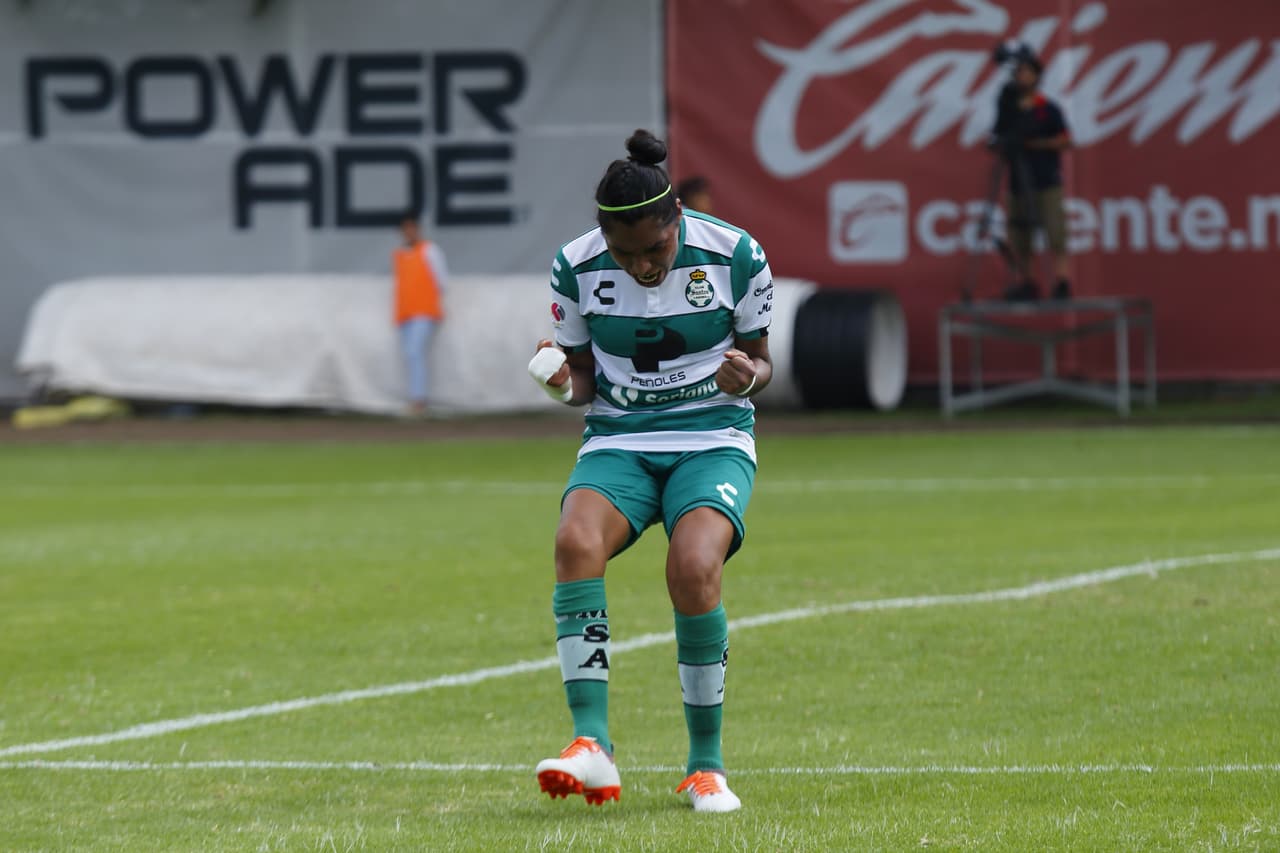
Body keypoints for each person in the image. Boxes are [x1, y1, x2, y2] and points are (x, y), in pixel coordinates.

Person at [526, 129, 774, 813]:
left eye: (656, 250)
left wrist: (747, 375)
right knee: (574, 541)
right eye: (624, 253)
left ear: (678, 221)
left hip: (712, 435)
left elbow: (761, 359)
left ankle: (706, 766)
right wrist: (560, 384)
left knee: (693, 567)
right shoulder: (574, 266)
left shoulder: (737, 255)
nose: (641, 266)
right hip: (620, 438)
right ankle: (593, 745)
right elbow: (583, 379)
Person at [996, 51, 1073, 301]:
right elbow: (1000, 135)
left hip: (1046, 180)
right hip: (1018, 182)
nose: (1022, 76)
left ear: (1037, 76)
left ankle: (1062, 281)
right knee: (1020, 236)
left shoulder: (1047, 109)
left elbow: (1065, 140)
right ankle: (1027, 282)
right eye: (1019, 72)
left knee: (1055, 231)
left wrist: (1036, 144)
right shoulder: (1009, 109)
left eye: (1027, 72)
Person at [392, 218, 448, 416]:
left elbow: (442, 280)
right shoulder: (399, 254)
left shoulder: (429, 250)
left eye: (412, 229)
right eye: (405, 229)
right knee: (411, 355)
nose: (409, 233)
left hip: (424, 311)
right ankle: (415, 398)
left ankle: (419, 401)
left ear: (418, 230)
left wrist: (430, 300)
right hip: (405, 314)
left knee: (415, 352)